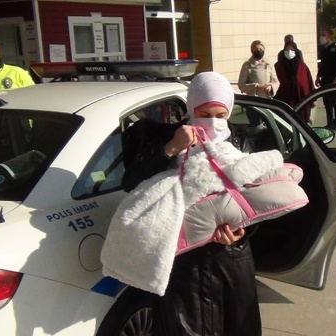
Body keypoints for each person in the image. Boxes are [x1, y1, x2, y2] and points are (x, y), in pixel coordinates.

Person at [121, 72, 262, 336]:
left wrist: (242, 232)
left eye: (220, 115)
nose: (213, 122)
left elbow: (255, 200)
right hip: (184, 263)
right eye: (204, 113)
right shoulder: (166, 139)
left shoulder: (242, 143)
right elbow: (132, 183)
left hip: (230, 260)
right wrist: (171, 148)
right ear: (190, 110)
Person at [274, 40, 314, 123]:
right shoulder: (278, 66)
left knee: (301, 124)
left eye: (292, 50)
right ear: (283, 51)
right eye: (287, 50)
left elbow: (309, 81)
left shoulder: (301, 65)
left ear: (296, 52)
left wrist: (312, 97)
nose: (289, 52)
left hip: (301, 99)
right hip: (285, 100)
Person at [315, 28, 336, 132]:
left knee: (335, 102)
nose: (321, 37)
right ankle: (329, 123)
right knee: (327, 103)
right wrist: (318, 77)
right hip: (325, 80)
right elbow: (322, 65)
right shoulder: (323, 49)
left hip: (333, 80)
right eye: (321, 35)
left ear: (329, 37)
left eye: (323, 35)